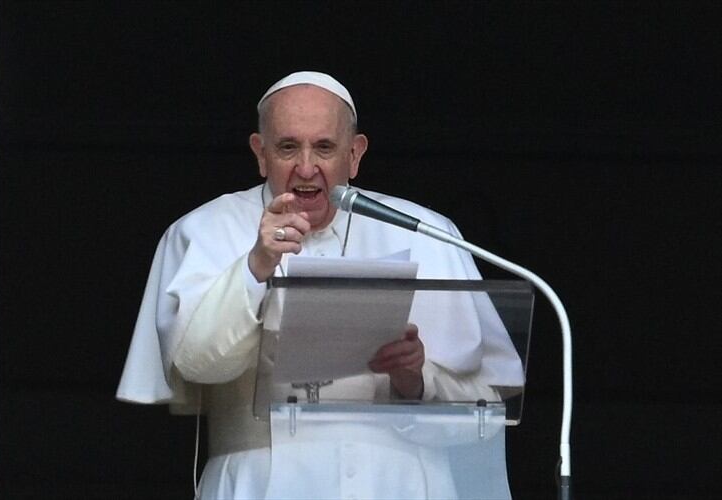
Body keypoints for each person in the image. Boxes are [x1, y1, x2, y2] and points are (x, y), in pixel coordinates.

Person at [117, 71, 523, 499]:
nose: (306, 167)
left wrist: (415, 378)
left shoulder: (426, 233)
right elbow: (195, 363)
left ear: (355, 153)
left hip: (399, 484)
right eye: (288, 147)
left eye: (325, 147)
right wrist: (256, 266)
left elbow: (488, 405)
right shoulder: (203, 231)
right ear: (260, 152)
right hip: (262, 485)